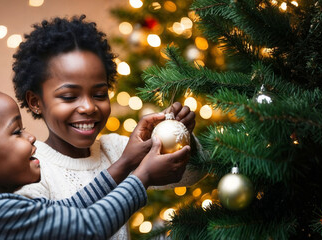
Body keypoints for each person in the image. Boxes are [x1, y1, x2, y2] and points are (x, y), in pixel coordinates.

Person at [0, 78, 191, 239]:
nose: (30, 137)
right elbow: (88, 226)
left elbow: (69, 210)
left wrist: (126, 163)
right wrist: (143, 177)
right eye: (16, 132)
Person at [12, 15, 203, 239]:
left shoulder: (115, 148)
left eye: (99, 94)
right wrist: (134, 172)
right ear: (36, 102)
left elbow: (193, 174)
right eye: (69, 96)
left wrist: (179, 137)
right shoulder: (30, 169)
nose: (88, 107)